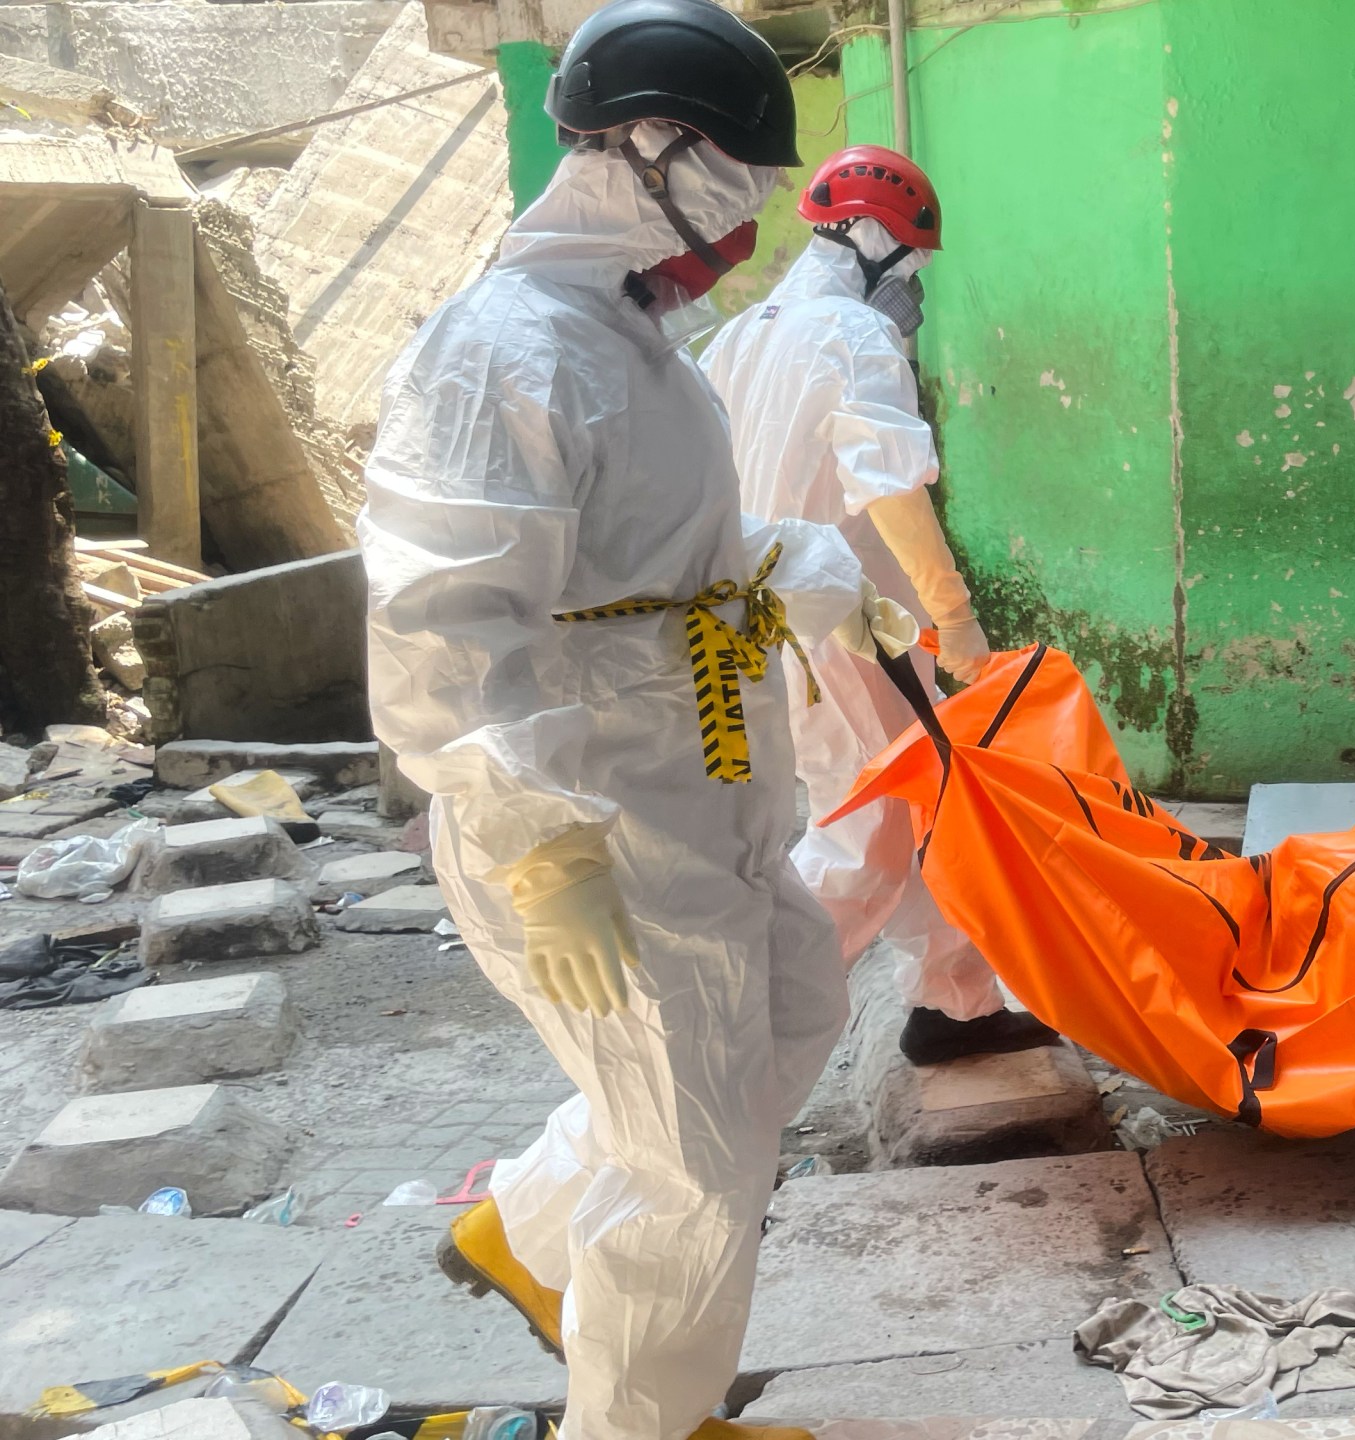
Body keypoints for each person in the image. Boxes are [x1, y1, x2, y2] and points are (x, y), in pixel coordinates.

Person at [364, 3, 906, 1435]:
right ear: (645, 146)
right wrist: (541, 850)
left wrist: (823, 574)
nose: (750, 215)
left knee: (798, 1006)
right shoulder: (500, 352)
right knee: (694, 1167)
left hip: (702, 787)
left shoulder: (638, 343)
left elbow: (671, 564)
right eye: (736, 175)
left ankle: (529, 1227)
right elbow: (442, 626)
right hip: (597, 817)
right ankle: (648, 1422)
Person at [702, 146, 1058, 1065]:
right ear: (866, 237)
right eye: (911, 261)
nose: (917, 286)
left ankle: (955, 1004)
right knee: (867, 836)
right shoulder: (854, 337)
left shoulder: (736, 339)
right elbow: (892, 489)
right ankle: (741, 1029)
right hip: (845, 634)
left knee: (924, 804)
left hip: (761, 627)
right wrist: (957, 616)